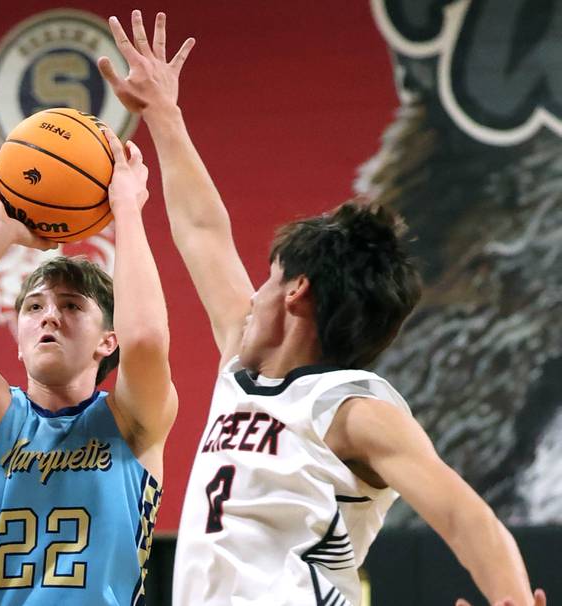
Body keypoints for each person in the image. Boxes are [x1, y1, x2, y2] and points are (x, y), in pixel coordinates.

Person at [97, 10, 546, 606]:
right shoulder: (242, 366)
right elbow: (203, 232)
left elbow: (466, 517)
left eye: (268, 276)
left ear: (297, 291)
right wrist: (164, 115)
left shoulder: (351, 408)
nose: (250, 292)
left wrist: (511, 600)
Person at [0, 128, 177, 605]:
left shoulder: (131, 422)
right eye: (33, 308)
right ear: (18, 340)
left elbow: (148, 340)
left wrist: (128, 211)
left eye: (72, 306)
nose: (49, 315)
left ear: (107, 341)